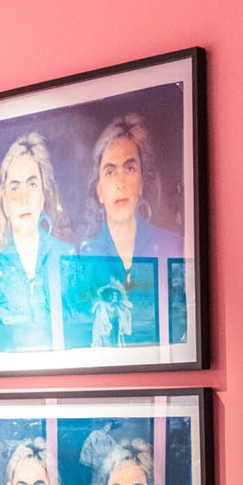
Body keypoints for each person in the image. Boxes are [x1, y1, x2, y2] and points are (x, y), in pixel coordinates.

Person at [71, 114, 186, 348]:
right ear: (99, 189)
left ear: (142, 182)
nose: (120, 182)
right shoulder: (82, 260)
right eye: (110, 172)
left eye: (130, 168)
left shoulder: (174, 247)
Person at [0, 132, 73, 352]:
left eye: (32, 185)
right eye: (14, 188)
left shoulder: (67, 256)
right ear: (4, 202)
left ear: (43, 195)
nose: (23, 198)